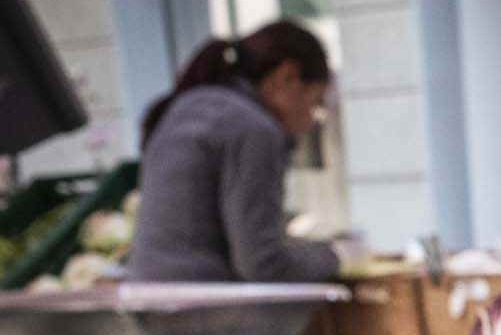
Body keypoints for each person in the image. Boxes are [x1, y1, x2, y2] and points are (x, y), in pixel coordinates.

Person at [130, 20, 349, 284]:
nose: (309, 123)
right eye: (315, 103)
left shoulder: (189, 106)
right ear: (287, 77)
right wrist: (337, 256)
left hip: (154, 300)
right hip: (210, 310)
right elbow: (264, 265)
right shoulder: (253, 129)